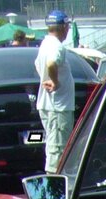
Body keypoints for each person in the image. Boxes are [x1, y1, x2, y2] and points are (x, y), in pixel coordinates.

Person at [35, 10, 75, 173]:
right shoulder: (57, 46)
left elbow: (39, 65)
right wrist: (55, 82)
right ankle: (55, 183)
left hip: (49, 105)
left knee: (54, 146)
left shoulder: (45, 44)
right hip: (58, 107)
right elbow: (51, 63)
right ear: (64, 27)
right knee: (58, 151)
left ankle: (56, 180)